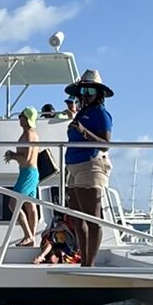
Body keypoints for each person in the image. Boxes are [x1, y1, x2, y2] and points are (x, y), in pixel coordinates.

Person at [63, 69, 113, 267]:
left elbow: (106, 144)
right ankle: (83, 260)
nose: (85, 95)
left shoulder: (101, 114)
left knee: (92, 219)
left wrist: (85, 133)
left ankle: (89, 263)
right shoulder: (82, 112)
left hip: (90, 166)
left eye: (90, 90)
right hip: (74, 167)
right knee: (76, 218)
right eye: (83, 90)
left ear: (98, 93)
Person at [3, 106, 40, 246]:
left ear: (26, 119)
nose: (19, 119)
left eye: (21, 116)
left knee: (13, 203)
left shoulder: (29, 135)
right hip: (30, 172)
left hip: (28, 172)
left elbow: (27, 158)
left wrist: (12, 155)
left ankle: (29, 235)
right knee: (31, 207)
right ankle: (31, 238)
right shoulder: (32, 134)